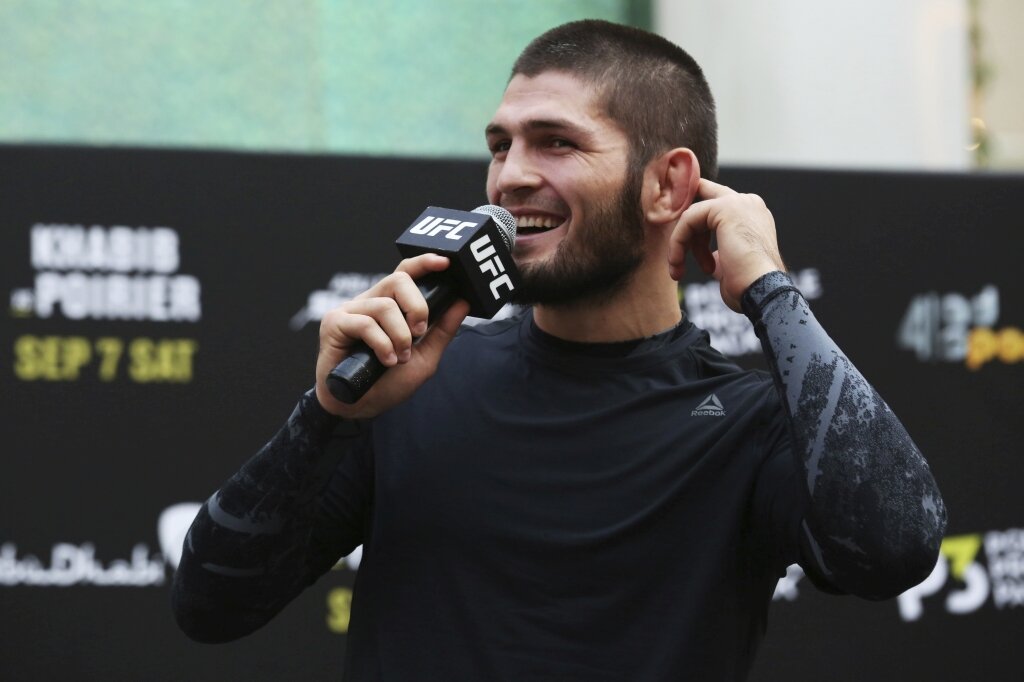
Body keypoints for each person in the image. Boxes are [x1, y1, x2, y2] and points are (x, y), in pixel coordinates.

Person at [172, 19, 946, 681]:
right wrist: (328, 416)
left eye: (555, 143)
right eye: (499, 146)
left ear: (667, 186)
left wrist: (770, 290)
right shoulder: (410, 385)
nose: (509, 178)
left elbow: (895, 550)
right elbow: (210, 604)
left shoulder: (750, 423)